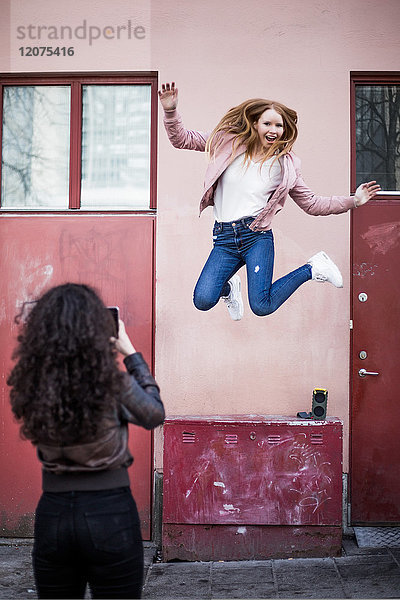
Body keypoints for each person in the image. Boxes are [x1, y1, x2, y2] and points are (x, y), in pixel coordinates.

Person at [158, 82, 381, 321]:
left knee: (262, 306)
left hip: (257, 237)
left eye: (279, 125)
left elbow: (312, 204)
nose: (273, 129)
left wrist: (354, 201)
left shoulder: (286, 166)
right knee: (203, 300)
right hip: (224, 238)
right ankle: (229, 287)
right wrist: (170, 111)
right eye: (267, 123)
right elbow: (182, 140)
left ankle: (314, 268)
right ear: (255, 124)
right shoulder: (227, 142)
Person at [7, 283, 165, 599]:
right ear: (96, 329)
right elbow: (153, 414)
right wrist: (131, 354)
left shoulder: (34, 384)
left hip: (53, 514)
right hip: (110, 512)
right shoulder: (112, 382)